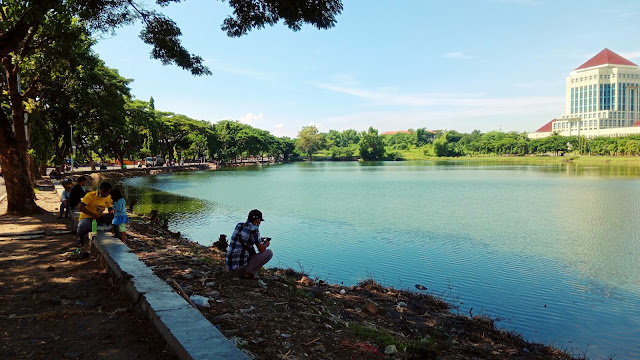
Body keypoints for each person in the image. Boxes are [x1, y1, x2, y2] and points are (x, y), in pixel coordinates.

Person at [226, 209, 272, 280]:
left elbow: (245, 238)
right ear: (257, 220)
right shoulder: (254, 230)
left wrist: (259, 239)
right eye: (259, 221)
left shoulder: (239, 225)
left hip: (230, 266)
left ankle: (247, 272)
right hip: (239, 269)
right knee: (269, 253)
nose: (259, 223)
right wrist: (266, 244)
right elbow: (261, 250)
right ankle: (248, 273)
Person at [76, 182, 114, 247]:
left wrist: (111, 211)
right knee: (82, 227)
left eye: (107, 192)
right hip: (87, 217)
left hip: (99, 217)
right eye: (103, 192)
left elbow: (110, 207)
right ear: (100, 189)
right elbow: (80, 207)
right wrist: (92, 214)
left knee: (114, 217)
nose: (105, 194)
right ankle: (81, 238)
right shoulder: (90, 195)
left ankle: (105, 228)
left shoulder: (109, 197)